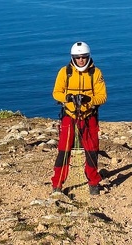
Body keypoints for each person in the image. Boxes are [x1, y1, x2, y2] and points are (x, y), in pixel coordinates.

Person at [50, 41, 107, 196]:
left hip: (89, 115)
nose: (81, 60)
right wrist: (68, 97)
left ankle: (93, 182)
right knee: (64, 150)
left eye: (84, 57)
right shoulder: (64, 72)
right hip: (69, 114)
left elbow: (103, 96)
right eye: (78, 57)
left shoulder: (96, 73)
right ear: (73, 58)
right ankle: (57, 184)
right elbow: (56, 93)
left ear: (88, 56)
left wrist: (89, 100)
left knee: (92, 150)